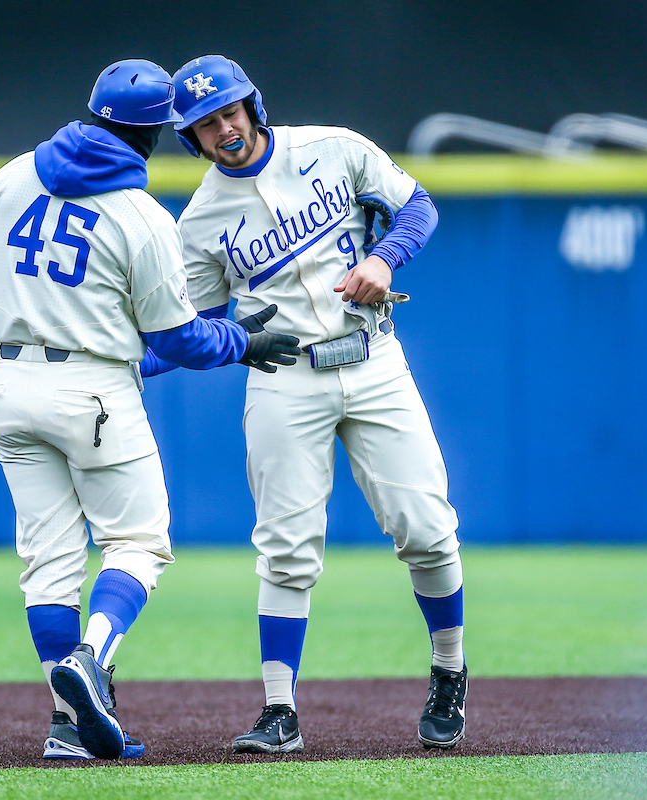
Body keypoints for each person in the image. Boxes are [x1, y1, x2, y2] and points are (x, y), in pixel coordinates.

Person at [0, 58, 300, 761]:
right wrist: (246, 341)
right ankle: (92, 659)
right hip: (93, 391)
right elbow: (178, 339)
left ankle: (65, 729)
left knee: (48, 564)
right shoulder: (141, 217)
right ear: (156, 136)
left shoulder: (13, 175)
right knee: (138, 544)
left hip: (7, 385)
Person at [169, 54, 468, 753]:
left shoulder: (333, 148)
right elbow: (196, 327)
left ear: (252, 107)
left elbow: (418, 205)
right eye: (206, 125)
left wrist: (385, 258)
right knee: (286, 548)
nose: (224, 130)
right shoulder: (200, 220)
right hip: (283, 374)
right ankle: (280, 711)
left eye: (229, 113)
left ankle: (450, 671)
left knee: (426, 528)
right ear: (193, 139)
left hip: (372, 358)